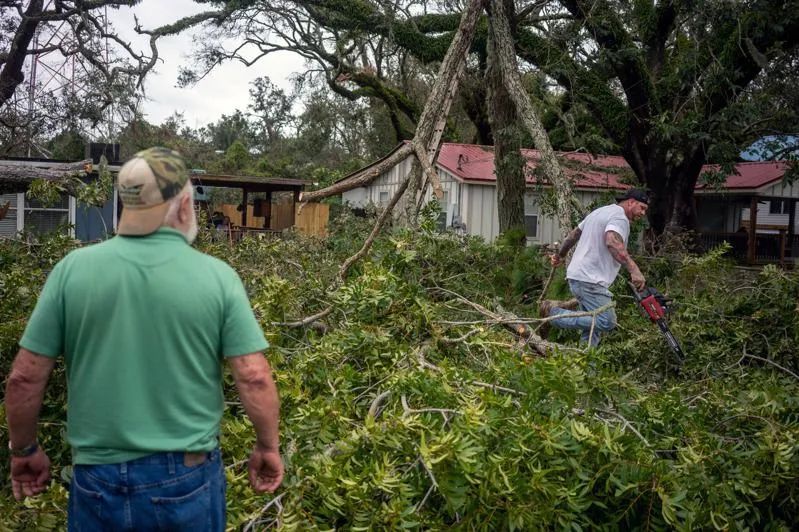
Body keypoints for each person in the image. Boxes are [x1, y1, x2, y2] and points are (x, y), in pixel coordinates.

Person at [5, 147, 283, 531]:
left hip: (95, 477)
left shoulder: (72, 271)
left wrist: (24, 450)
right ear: (184, 205)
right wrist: (268, 447)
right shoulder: (217, 277)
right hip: (186, 478)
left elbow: (24, 378)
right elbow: (253, 375)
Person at [540, 189, 649, 346]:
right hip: (590, 279)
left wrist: (560, 255)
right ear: (631, 202)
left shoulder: (600, 212)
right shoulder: (620, 217)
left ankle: (586, 367)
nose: (643, 213)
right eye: (642, 208)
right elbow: (612, 241)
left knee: (592, 329)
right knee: (606, 321)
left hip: (578, 276)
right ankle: (552, 313)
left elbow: (573, 235)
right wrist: (634, 270)